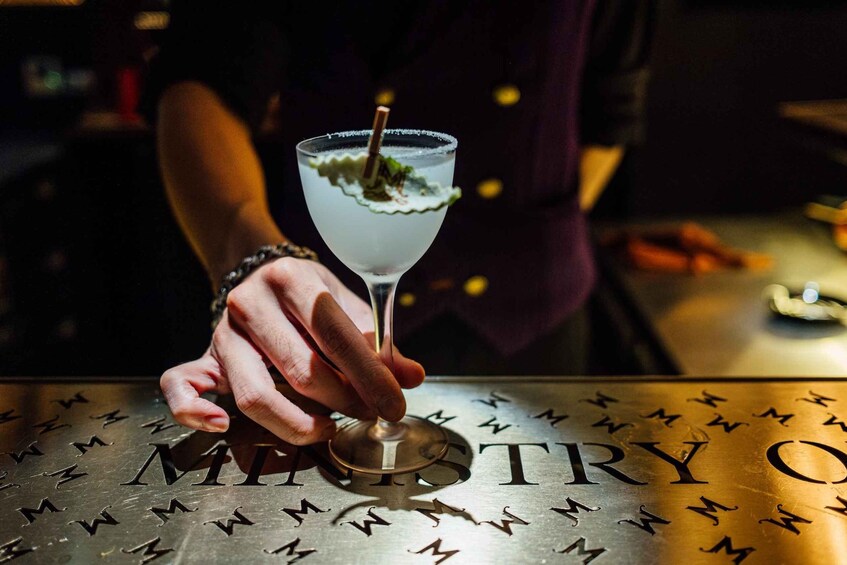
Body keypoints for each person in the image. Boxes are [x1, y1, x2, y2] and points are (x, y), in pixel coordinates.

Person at [143, 1, 655, 445]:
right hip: (322, 304)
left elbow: (613, 105)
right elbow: (203, 73)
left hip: (531, 307)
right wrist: (250, 257)